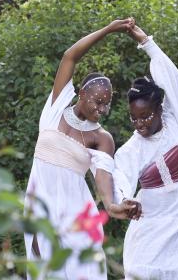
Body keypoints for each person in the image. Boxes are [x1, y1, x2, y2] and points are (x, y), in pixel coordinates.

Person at [24, 19, 139, 280]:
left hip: (74, 213)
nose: (102, 109)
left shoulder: (102, 138)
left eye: (107, 105)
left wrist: (112, 206)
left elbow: (103, 178)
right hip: (39, 205)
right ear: (81, 94)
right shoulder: (56, 106)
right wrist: (109, 29)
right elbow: (70, 57)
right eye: (98, 102)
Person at [113, 25, 178, 279]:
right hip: (151, 235)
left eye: (145, 116)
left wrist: (146, 42)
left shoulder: (175, 119)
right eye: (134, 118)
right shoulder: (131, 150)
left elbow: (170, 75)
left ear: (159, 108)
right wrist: (125, 199)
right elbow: (120, 178)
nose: (140, 123)